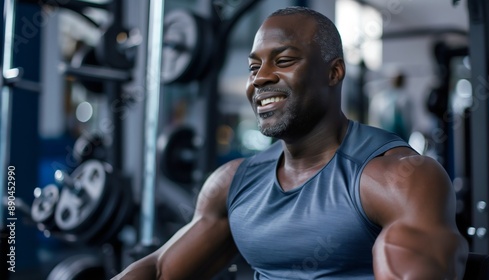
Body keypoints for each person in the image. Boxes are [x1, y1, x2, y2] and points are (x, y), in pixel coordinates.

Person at [113, 6, 469, 279]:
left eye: (283, 61)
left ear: (334, 72)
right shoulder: (232, 183)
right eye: (254, 68)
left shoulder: (397, 179)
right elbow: (160, 270)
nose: (261, 78)